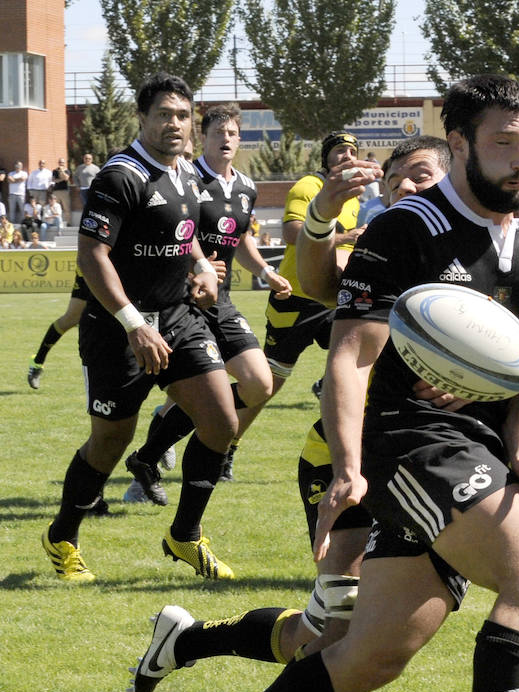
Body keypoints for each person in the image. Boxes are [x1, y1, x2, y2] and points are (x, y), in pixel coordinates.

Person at [157, 74, 519, 692]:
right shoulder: (406, 230)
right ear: (459, 143)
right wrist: (350, 469)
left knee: (375, 651)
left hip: (479, 445)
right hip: (408, 438)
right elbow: (352, 358)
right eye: (504, 141)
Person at [41, 71, 241, 584]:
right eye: (163, 115)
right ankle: (63, 535)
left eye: (181, 115)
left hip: (177, 319)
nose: (174, 124)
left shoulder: (187, 175)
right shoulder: (120, 175)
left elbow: (189, 235)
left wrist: (201, 270)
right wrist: (132, 323)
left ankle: (185, 535)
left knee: (222, 420)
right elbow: (91, 255)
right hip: (118, 329)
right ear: (143, 119)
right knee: (109, 442)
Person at [121, 102, 292, 502]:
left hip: (223, 300)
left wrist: (264, 271)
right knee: (184, 395)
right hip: (183, 302)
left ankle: (147, 456)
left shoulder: (247, 187)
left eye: (233, 133)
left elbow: (243, 240)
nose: (226, 140)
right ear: (204, 138)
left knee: (259, 383)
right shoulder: (184, 177)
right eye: (218, 133)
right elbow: (166, 235)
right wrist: (194, 266)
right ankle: (143, 475)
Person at [217, 131, 366, 478]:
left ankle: (349, 456)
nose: (346, 156)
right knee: (270, 384)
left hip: (333, 298)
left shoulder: (354, 196)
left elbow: (339, 250)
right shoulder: (309, 187)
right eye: (339, 151)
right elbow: (292, 233)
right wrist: (345, 236)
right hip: (295, 299)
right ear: (326, 159)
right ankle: (225, 444)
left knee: (358, 366)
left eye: (352, 151)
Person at [52, 158, 72, 225]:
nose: (61, 163)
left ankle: (68, 222)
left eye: (62, 162)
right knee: (56, 207)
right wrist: (61, 179)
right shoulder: (54, 170)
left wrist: (62, 171)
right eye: (60, 162)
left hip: (64, 191)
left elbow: (66, 178)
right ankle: (56, 222)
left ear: (64, 163)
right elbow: (54, 180)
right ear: (58, 163)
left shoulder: (67, 170)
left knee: (66, 207)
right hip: (56, 191)